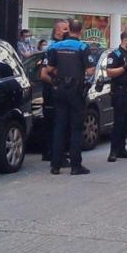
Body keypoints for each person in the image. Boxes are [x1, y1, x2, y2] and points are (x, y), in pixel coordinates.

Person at [43, 19, 96, 175]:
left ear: (68, 30)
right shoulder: (82, 47)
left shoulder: (55, 46)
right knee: (76, 128)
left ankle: (55, 165)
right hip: (75, 90)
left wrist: (60, 74)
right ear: (81, 31)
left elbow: (49, 68)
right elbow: (91, 70)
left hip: (59, 89)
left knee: (59, 126)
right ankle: (75, 166)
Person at [40, 18, 72, 164]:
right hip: (53, 90)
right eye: (66, 29)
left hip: (59, 89)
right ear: (58, 31)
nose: (68, 31)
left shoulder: (61, 46)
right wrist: (56, 84)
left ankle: (53, 152)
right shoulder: (53, 48)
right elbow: (44, 73)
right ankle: (54, 154)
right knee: (55, 123)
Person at [105, 30, 127, 162]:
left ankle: (122, 148)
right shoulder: (115, 54)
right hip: (120, 91)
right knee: (119, 121)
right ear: (126, 39)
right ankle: (113, 151)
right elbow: (109, 72)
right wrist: (124, 68)